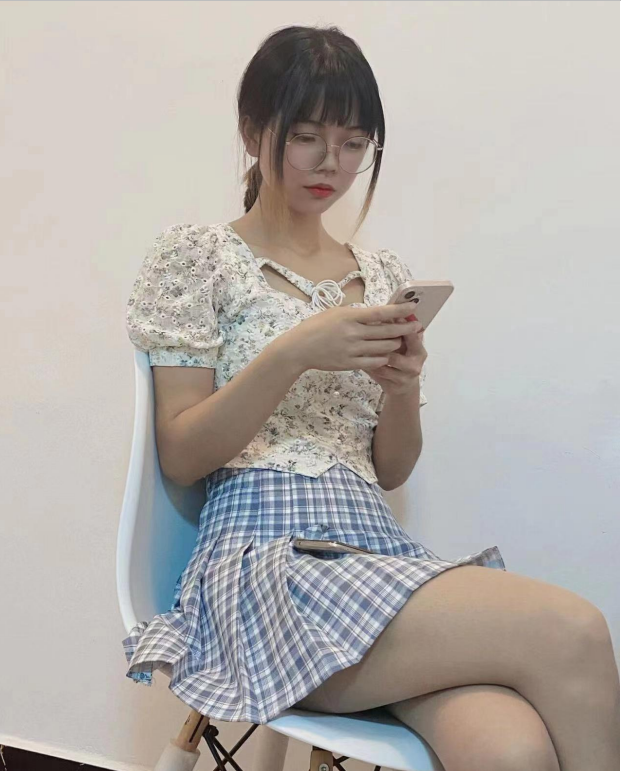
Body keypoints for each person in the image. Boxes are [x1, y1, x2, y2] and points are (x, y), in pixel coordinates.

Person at [122, 24, 619, 771]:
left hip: (372, 553)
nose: (332, 163)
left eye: (353, 143)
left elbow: (390, 469)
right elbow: (181, 453)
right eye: (307, 137)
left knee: (511, 749)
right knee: (573, 631)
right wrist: (294, 351)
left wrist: (403, 385)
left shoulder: (381, 274)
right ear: (254, 132)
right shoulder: (198, 256)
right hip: (266, 567)